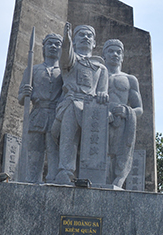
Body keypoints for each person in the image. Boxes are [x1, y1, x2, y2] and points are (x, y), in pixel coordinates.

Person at [51, 22, 109, 184]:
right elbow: (65, 57)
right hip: (71, 103)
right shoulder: (71, 61)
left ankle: (91, 173)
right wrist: (67, 39)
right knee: (68, 138)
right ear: (75, 41)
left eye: (89, 35)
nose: (85, 37)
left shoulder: (101, 68)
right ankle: (65, 170)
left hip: (91, 108)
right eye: (81, 35)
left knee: (93, 142)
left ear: (94, 42)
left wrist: (103, 94)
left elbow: (103, 90)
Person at [16, 32, 63, 183]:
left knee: (54, 152)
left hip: (56, 115)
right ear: (43, 48)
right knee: (34, 154)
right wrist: (25, 93)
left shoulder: (64, 72)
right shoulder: (33, 70)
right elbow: (20, 99)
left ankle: (52, 181)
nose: (53, 47)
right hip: (37, 114)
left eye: (57, 44)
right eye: (50, 43)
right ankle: (31, 181)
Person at [103, 38, 144, 187]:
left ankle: (118, 182)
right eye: (111, 51)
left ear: (122, 57)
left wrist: (127, 111)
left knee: (118, 155)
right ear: (104, 55)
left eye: (118, 52)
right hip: (101, 120)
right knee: (101, 154)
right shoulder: (98, 76)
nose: (114, 54)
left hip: (122, 122)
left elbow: (139, 108)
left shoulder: (129, 79)